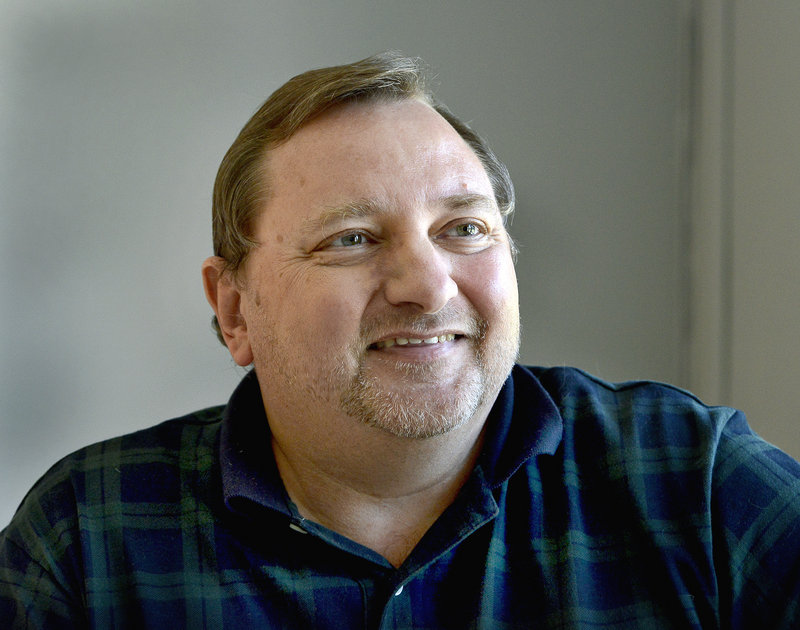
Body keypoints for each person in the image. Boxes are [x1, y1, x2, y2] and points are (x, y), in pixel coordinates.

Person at [1, 52, 799, 629]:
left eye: (463, 228)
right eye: (350, 238)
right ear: (234, 308)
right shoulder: (89, 539)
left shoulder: (693, 481)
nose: (426, 285)